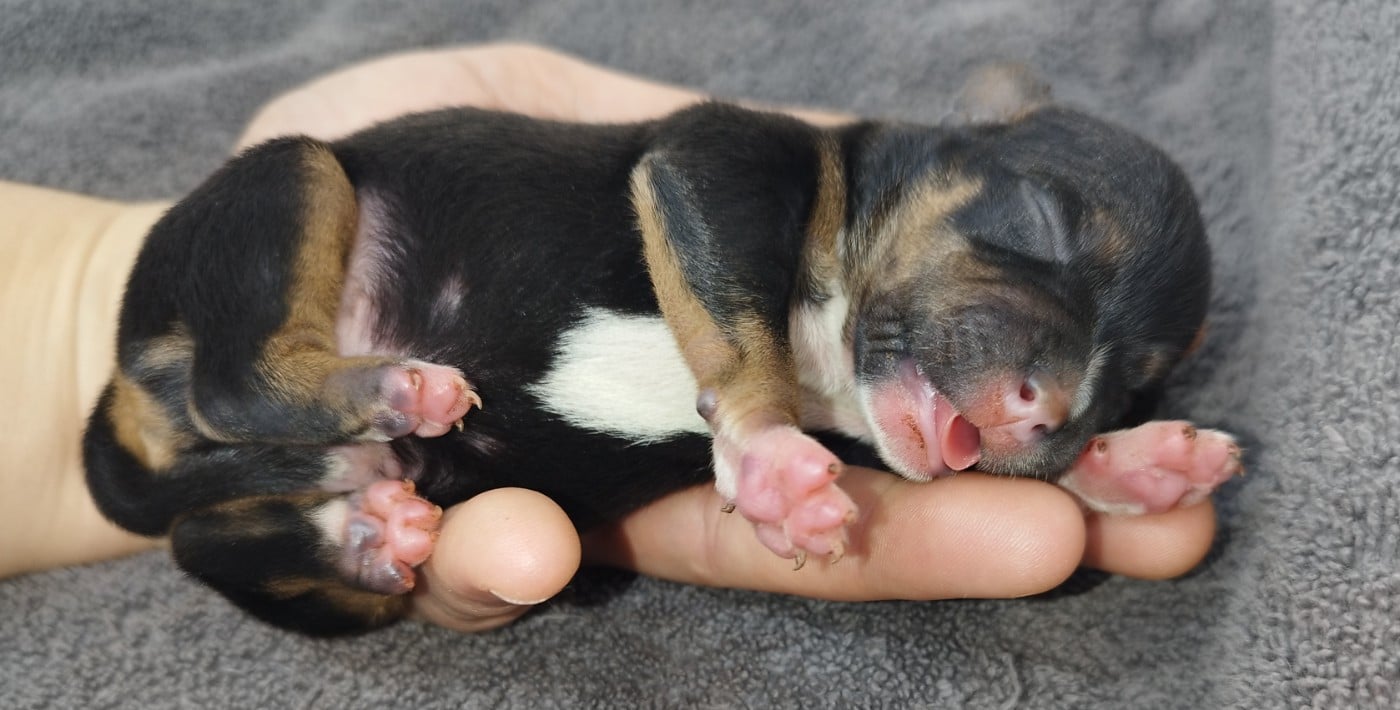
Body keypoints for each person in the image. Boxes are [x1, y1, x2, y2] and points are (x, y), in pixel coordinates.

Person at [0, 43, 1218, 633]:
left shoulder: (867, 382)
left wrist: (1071, 461)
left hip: (407, 455)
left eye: (1111, 378)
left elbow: (911, 430)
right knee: (294, 176)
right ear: (968, 140)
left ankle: (278, 530)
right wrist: (750, 414)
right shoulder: (784, 166)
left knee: (367, 580)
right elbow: (686, 185)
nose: (1055, 382)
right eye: (1040, 231)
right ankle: (264, 385)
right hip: (292, 291)